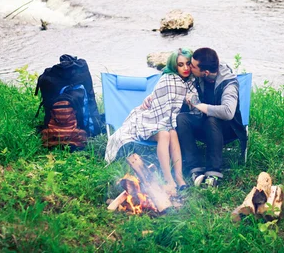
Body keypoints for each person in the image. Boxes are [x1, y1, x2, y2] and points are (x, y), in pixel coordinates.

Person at [104, 48, 196, 192]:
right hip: (149, 119)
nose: (185, 68)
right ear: (174, 65)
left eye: (187, 64)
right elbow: (159, 102)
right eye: (180, 64)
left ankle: (179, 177)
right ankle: (169, 179)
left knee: (172, 133)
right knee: (165, 134)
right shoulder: (167, 79)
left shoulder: (190, 82)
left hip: (167, 122)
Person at [176, 47, 248, 188]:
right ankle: (195, 169)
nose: (189, 67)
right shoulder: (199, 76)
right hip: (204, 124)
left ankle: (213, 172)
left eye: (193, 66)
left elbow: (228, 112)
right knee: (182, 119)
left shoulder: (229, 83)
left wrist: (199, 105)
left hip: (228, 130)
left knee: (212, 119)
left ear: (206, 72)